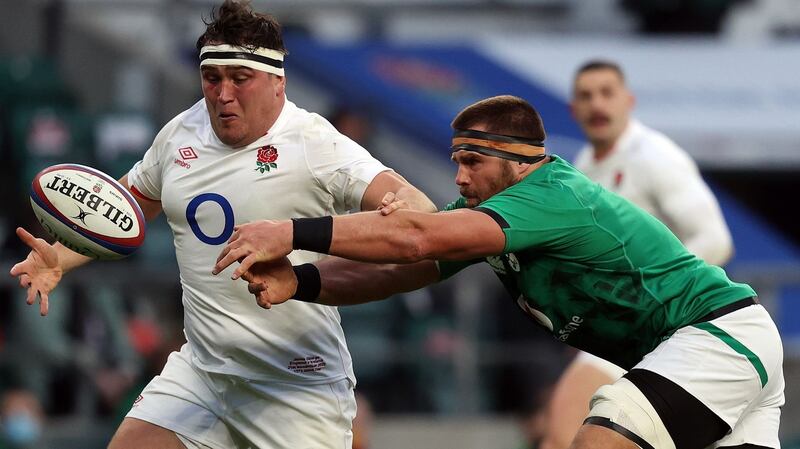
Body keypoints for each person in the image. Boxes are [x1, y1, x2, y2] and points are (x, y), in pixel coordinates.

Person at [214, 94, 784, 449]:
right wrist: (302, 281)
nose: (459, 178)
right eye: (456, 161)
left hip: (713, 335)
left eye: (473, 161)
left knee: (599, 438)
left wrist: (291, 232)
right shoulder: (491, 211)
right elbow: (402, 268)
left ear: (520, 162)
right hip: (710, 346)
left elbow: (415, 237)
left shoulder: (552, 195)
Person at [8, 1, 435, 448]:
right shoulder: (180, 133)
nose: (223, 94)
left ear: (278, 81)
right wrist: (61, 257)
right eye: (212, 78)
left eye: (239, 78)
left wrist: (391, 206)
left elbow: (418, 209)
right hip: (203, 373)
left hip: (292, 382)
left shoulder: (315, 143)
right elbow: (125, 208)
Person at [538, 59, 737, 449]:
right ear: (573, 110)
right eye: (586, 96)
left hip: (673, 329)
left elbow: (715, 241)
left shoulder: (654, 157)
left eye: (606, 93)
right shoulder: (584, 165)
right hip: (629, 333)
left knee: (563, 434)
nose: (597, 104)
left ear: (628, 100)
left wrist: (641, 299)